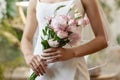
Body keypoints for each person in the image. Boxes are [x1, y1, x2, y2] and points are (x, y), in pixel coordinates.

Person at [20, 0, 109, 80]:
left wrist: (72, 52)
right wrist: (28, 56)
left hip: (72, 67)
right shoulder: (34, 1)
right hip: (41, 69)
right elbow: (26, 38)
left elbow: (102, 40)